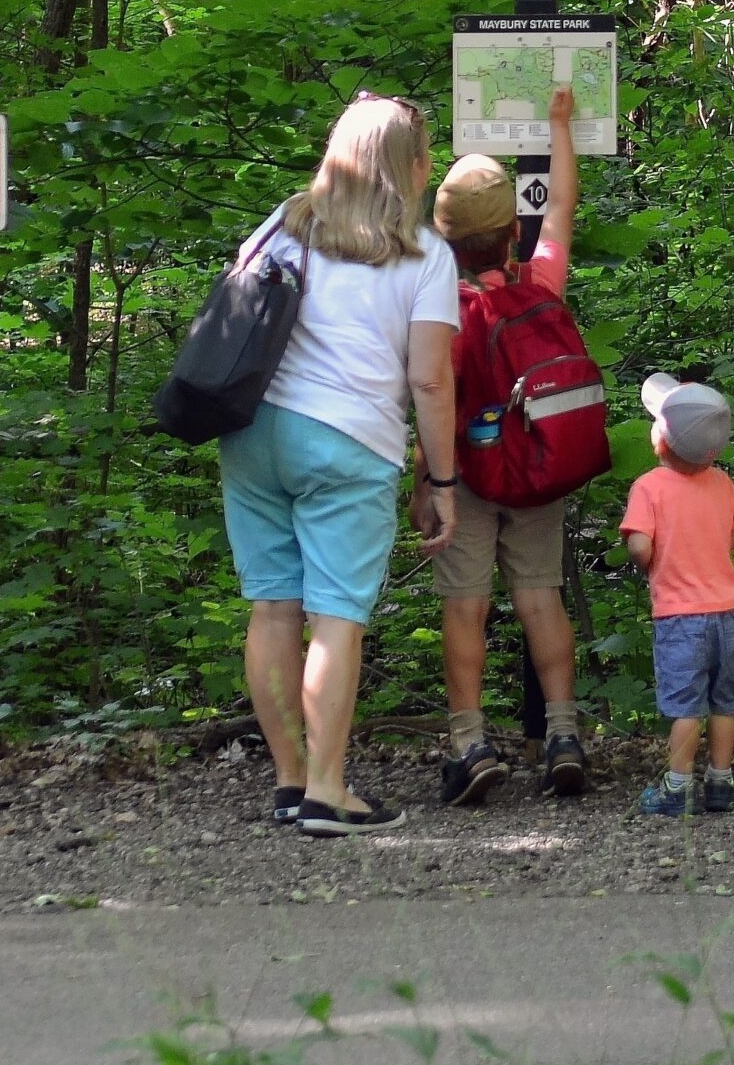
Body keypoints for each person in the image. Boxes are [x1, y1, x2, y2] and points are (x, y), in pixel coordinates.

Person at [220, 93, 462, 837]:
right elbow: (429, 380)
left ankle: (291, 781)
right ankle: (329, 792)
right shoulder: (425, 255)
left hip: (253, 433)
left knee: (271, 606)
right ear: (411, 167)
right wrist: (442, 481)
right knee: (336, 618)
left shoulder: (284, 226)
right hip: (346, 443)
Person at [427, 87, 588, 804]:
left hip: (467, 472)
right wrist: (558, 127)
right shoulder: (541, 280)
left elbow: (435, 394)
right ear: (511, 235)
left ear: (445, 239)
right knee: (540, 598)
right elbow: (560, 206)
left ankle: (470, 739)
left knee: (465, 606)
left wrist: (425, 482)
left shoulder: (441, 308)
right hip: (539, 465)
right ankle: (562, 734)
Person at [619, 372, 734, 817]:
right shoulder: (722, 483)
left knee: (686, 706)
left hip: (680, 617)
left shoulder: (648, 487)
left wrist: (647, 555)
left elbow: (639, 544)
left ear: (661, 439)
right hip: (729, 613)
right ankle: (720, 783)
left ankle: (677, 788)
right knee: (724, 704)